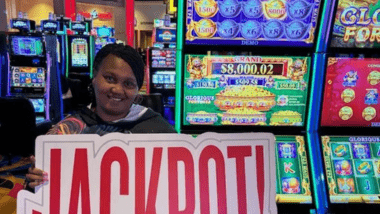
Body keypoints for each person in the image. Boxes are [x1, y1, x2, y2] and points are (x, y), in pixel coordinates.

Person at [26, 44, 176, 189]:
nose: (118, 89)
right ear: (94, 78)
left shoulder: (160, 131)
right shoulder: (66, 131)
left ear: (137, 90)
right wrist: (37, 181)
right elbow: (38, 198)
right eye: (110, 78)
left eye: (129, 83)